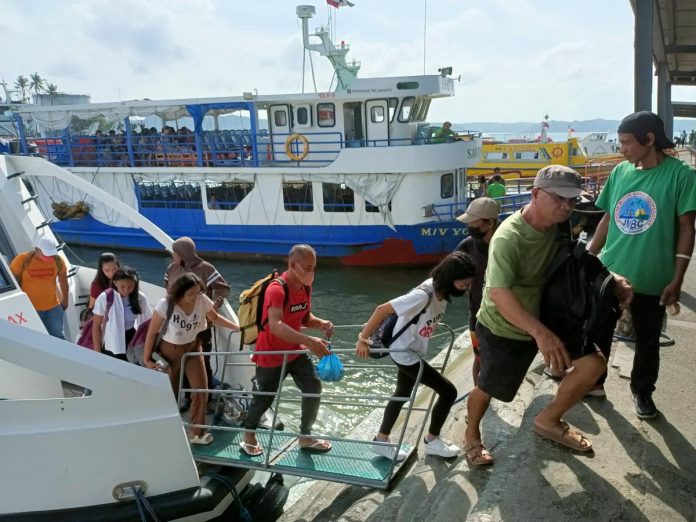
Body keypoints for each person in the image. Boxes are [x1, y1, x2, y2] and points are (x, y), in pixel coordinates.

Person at [464, 165, 632, 466]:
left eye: (571, 200)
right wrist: (541, 334)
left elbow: (573, 256)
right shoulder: (509, 238)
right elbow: (499, 294)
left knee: (593, 366)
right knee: (489, 389)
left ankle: (549, 420)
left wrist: (613, 277)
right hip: (506, 324)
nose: (566, 206)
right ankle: (471, 434)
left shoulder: (561, 223)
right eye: (558, 198)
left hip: (548, 312)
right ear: (536, 194)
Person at [588, 111, 696, 419]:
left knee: (647, 341)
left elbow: (687, 228)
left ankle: (643, 392)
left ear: (649, 139)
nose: (621, 149)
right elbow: (608, 218)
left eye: (626, 143)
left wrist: (677, 278)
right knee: (598, 332)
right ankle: (594, 382)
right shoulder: (621, 172)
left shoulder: (682, 176)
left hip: (653, 277)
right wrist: (588, 257)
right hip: (611, 271)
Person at [356, 252, 476, 461]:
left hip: (412, 350)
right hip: (405, 354)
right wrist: (362, 339)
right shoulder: (423, 295)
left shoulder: (440, 292)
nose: (464, 290)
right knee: (448, 391)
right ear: (449, 279)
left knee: (402, 392)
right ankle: (432, 441)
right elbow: (383, 309)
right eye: (463, 285)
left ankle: (381, 441)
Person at [241, 244, 333, 456]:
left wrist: (322, 324)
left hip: (294, 351)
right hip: (271, 354)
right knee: (264, 398)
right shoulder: (277, 288)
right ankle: (248, 435)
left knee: (313, 387)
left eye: (314, 268)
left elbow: (305, 317)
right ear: (293, 265)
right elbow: (275, 325)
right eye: (308, 268)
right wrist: (310, 341)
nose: (312, 273)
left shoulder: (304, 288)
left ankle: (305, 436)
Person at [143, 272, 240, 445]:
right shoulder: (166, 305)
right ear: (180, 292)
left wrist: (237, 327)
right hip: (170, 350)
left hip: (194, 347)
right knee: (170, 392)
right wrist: (147, 359)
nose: (195, 297)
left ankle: (197, 433)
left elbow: (215, 317)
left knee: (201, 389)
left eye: (198, 292)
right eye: (191, 294)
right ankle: (164, 428)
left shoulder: (202, 300)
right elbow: (152, 332)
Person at [165, 237, 230, 409]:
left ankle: (205, 400)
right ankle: (187, 396)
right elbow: (167, 287)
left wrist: (212, 307)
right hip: (177, 327)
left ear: (183, 253)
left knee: (203, 362)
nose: (173, 255)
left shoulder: (205, 268)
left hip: (201, 327)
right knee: (181, 362)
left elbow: (222, 287)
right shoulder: (172, 268)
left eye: (175, 252)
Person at [455, 197, 501, 387]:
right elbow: (449, 270)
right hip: (476, 315)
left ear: (489, 223)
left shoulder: (506, 244)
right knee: (479, 357)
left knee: (498, 357)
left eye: (473, 222)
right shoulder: (468, 244)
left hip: (503, 315)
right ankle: (477, 394)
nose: (469, 226)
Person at [10, 237, 69, 339]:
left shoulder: (58, 261)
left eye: (52, 254)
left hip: (54, 308)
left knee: (58, 338)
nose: (50, 258)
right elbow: (11, 282)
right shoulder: (21, 260)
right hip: (30, 309)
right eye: (47, 254)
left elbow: (64, 282)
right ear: (37, 250)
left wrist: (65, 302)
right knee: (34, 339)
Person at [92, 267, 151, 360]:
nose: (126, 290)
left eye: (130, 286)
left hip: (131, 337)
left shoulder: (140, 298)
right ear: (115, 283)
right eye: (122, 287)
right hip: (112, 341)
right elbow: (96, 324)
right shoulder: (105, 297)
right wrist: (97, 352)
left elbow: (148, 322)